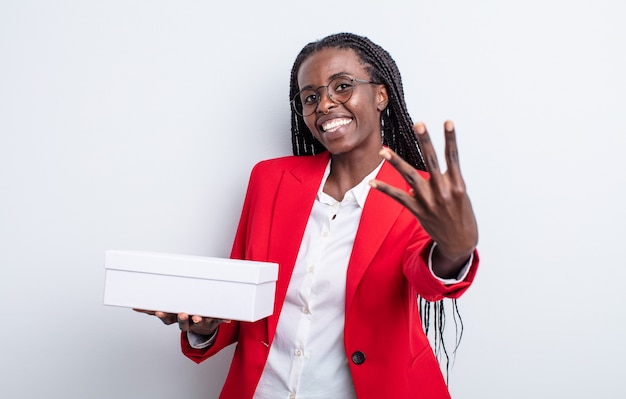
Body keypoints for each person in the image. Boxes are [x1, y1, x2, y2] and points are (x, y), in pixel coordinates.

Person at [139, 32, 479, 399]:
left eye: (343, 87)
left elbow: (427, 278)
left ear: (380, 95)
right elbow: (242, 296)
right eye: (311, 97)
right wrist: (205, 326)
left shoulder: (419, 194)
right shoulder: (270, 181)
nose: (325, 104)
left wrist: (455, 250)